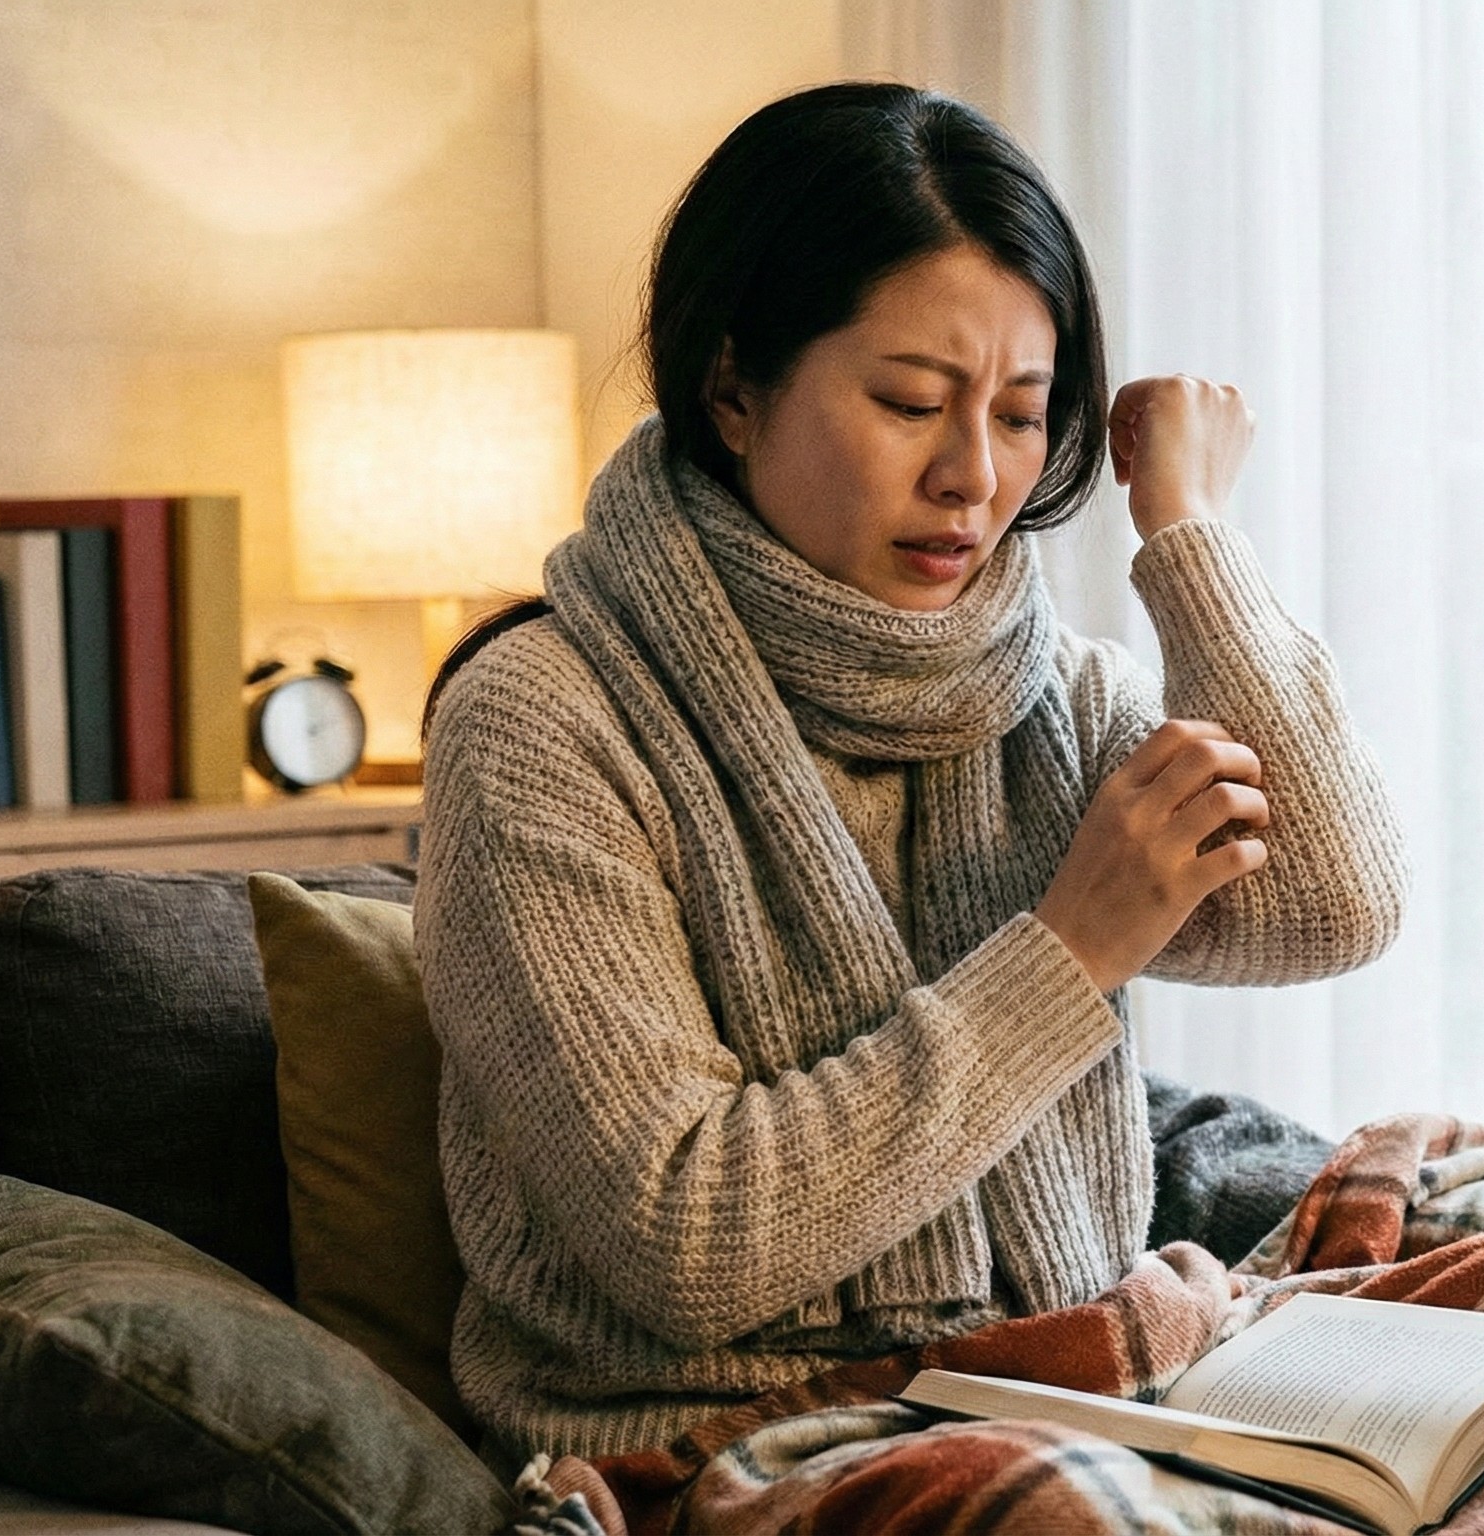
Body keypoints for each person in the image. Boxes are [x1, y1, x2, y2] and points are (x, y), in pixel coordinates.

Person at [416, 80, 1407, 1467]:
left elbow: (1334, 904)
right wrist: (1071, 951)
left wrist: (1186, 531)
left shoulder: (1046, 690)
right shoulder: (542, 719)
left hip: (1068, 1375)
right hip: (734, 1437)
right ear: (731, 387)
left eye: (1019, 414)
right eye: (910, 402)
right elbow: (686, 1242)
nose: (973, 478)